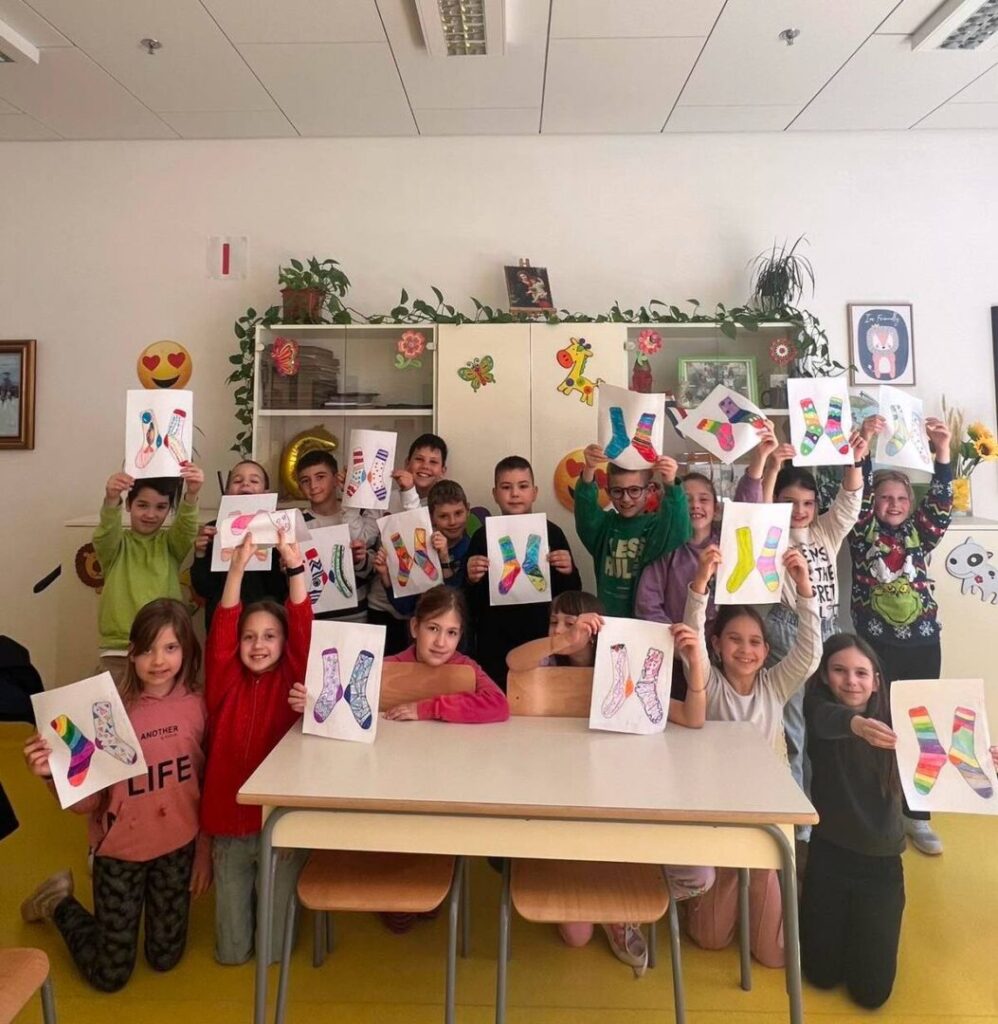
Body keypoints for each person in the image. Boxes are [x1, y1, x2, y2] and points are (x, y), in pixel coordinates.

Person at [506, 591, 714, 974]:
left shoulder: (625, 660)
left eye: (571, 623)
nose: (560, 629)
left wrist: (696, 663)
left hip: (623, 794)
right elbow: (513, 661)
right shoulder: (546, 664)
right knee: (576, 935)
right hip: (565, 798)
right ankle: (598, 891)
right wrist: (561, 641)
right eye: (554, 621)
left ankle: (621, 909)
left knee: (700, 875)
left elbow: (693, 718)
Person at [20, 599, 210, 992]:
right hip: (121, 852)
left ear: (187, 650)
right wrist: (51, 775)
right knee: (109, 976)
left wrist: (204, 850)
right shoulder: (109, 713)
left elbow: (207, 784)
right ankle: (57, 901)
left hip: (178, 850)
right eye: (147, 649)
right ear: (132, 654)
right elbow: (87, 804)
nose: (159, 660)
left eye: (170, 647)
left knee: (165, 959)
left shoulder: (198, 705)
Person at [682, 544, 821, 968]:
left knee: (774, 957)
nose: (747, 650)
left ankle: (765, 885)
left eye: (756, 642)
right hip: (720, 816)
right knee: (709, 940)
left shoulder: (774, 686)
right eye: (735, 640)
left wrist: (804, 588)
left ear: (765, 650)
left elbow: (809, 653)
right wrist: (701, 582)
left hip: (765, 818)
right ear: (717, 645)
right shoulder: (708, 684)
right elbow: (693, 645)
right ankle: (721, 887)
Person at [750, 428, 867, 850]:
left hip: (830, 630)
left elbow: (849, 501)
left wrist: (854, 460)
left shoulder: (824, 532)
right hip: (789, 630)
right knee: (794, 730)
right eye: (789, 502)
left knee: (834, 722)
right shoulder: (772, 534)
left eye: (807, 503)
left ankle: (833, 811)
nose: (799, 511)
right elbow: (759, 511)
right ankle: (799, 823)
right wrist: (773, 466)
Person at [200, 530, 312, 966]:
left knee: (274, 953)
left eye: (269, 637)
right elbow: (223, 627)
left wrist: (294, 566)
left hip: (278, 825)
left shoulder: (292, 681)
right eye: (249, 638)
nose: (258, 645)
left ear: (283, 644)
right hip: (229, 827)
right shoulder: (224, 684)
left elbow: (302, 626)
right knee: (231, 954)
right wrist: (237, 568)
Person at [849, 413, 952, 855]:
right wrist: (865, 446)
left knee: (922, 726)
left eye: (900, 498)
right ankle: (884, 810)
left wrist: (942, 451)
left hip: (923, 643)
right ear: (874, 502)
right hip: (875, 646)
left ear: (911, 504)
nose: (892, 504)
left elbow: (941, 504)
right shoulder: (862, 532)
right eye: (885, 497)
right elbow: (855, 496)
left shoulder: (919, 535)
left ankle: (918, 815)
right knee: (880, 726)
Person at [465, 456, 581, 690]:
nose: (515, 494)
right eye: (506, 487)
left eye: (523, 486)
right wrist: (471, 579)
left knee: (539, 697)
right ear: (495, 494)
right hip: (494, 639)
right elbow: (470, 605)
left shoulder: (552, 533)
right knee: (496, 697)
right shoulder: (481, 537)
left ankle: (520, 564)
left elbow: (571, 596)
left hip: (541, 635)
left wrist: (568, 571)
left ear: (534, 492)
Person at [94, 466, 203, 685]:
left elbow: (186, 528)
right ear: (128, 504)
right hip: (120, 650)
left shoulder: (170, 545)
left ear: (169, 509)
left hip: (164, 650)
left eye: (161, 507)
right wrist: (111, 499)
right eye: (142, 505)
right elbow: (106, 531)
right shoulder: (115, 546)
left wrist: (191, 494)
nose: (151, 514)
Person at [574, 443, 690, 617]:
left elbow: (679, 528)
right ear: (608, 492)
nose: (626, 499)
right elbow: (585, 511)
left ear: (649, 491)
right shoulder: (604, 527)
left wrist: (670, 483)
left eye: (634, 490)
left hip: (649, 620)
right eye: (618, 491)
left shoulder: (656, 527)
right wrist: (589, 469)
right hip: (609, 622)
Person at [366, 434, 449, 654]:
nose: (425, 466)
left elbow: (417, 533)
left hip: (425, 610)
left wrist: (409, 490)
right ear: (407, 463)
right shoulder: (384, 497)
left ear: (443, 470)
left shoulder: (444, 506)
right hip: (381, 605)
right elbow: (364, 539)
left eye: (433, 462)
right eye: (419, 459)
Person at [190, 460, 288, 631]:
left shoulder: (278, 531)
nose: (245, 484)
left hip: (266, 626)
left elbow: (280, 590)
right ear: (227, 491)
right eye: (237, 480)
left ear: (266, 492)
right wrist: (200, 553)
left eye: (254, 480)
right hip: (222, 624)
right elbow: (203, 589)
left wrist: (286, 567)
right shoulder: (213, 530)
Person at [372, 480, 474, 642]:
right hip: (421, 636)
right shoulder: (421, 549)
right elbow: (405, 607)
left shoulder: (473, 548)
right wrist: (385, 576)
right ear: (431, 518)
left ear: (468, 510)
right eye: (443, 516)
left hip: (456, 637)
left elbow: (456, 601)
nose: (453, 522)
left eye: (458, 513)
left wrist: (444, 558)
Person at [295, 449, 374, 623]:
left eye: (320, 477)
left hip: (358, 615)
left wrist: (359, 559)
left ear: (336, 479)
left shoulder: (357, 516)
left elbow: (374, 567)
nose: (313, 486)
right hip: (315, 617)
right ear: (299, 486)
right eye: (305, 481)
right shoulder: (297, 523)